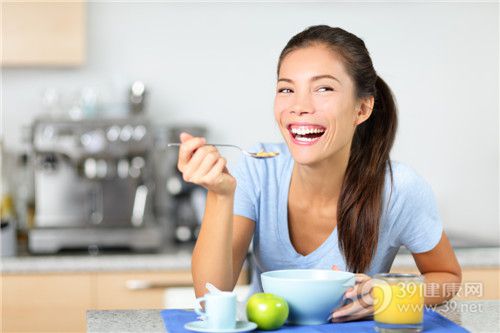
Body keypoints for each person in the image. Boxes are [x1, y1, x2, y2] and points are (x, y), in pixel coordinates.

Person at [176, 25, 462, 322]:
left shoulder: (398, 187)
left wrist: (390, 292)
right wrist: (220, 195)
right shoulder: (259, 169)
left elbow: (447, 277)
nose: (299, 106)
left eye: (323, 88)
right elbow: (211, 297)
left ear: (362, 108)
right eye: (287, 89)